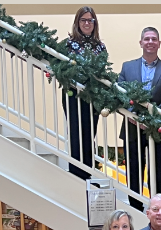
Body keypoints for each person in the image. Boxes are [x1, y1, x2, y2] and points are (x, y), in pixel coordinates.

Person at [117, 27, 161, 210]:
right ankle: (135, 207)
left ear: (159, 44)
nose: (150, 42)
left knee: (159, 170)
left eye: (154, 39)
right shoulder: (127, 67)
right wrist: (133, 115)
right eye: (147, 39)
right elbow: (120, 93)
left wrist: (151, 119)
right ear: (141, 43)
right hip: (131, 125)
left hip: (158, 129)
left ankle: (158, 209)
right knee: (134, 169)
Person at [62, 6, 106, 181]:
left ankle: (87, 174)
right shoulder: (68, 44)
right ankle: (76, 174)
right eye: (84, 20)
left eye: (90, 20)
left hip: (93, 97)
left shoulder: (100, 47)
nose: (87, 23)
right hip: (73, 95)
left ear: (95, 23)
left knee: (89, 135)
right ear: (77, 22)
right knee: (75, 133)